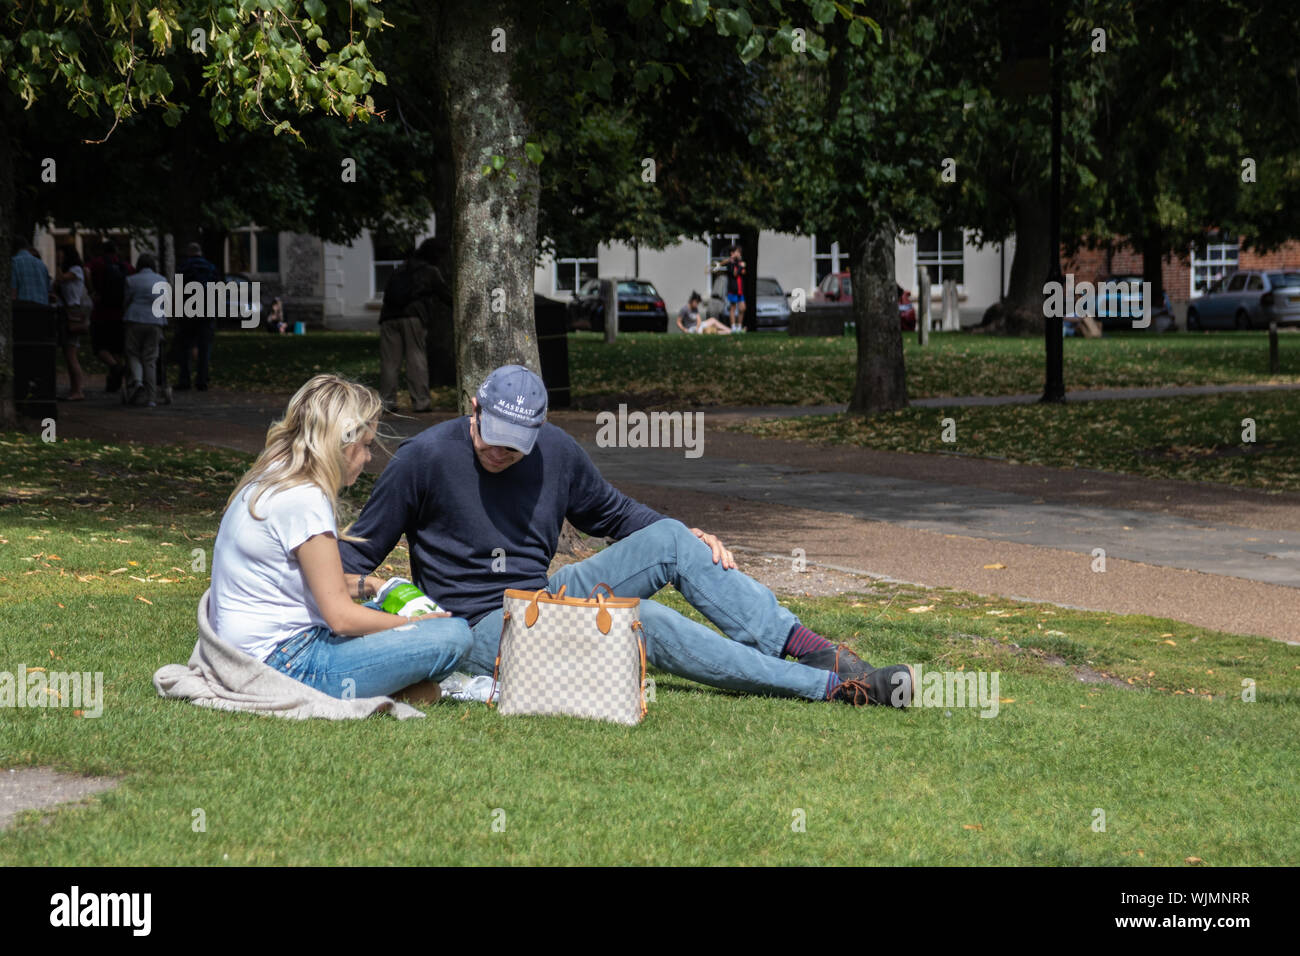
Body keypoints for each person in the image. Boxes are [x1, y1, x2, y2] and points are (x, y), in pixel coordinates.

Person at [340, 364, 916, 708]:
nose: (501, 451)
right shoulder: (423, 460)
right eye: (491, 435)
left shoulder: (556, 453)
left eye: (516, 443)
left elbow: (614, 514)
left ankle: (811, 649)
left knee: (669, 537)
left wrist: (687, 539)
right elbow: (357, 550)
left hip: (545, 593)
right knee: (640, 617)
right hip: (484, 626)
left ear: (540, 430)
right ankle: (830, 689)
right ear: (473, 408)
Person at [208, 374, 472, 700]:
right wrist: (408, 623)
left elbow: (301, 579)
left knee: (399, 623)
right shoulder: (305, 499)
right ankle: (389, 687)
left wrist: (371, 585)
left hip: (245, 655)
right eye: (366, 446)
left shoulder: (271, 478)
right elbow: (341, 618)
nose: (368, 457)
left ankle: (395, 686)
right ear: (343, 441)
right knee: (454, 635)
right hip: (284, 664)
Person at [378, 237, 449, 413]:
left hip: (388, 317)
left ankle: (387, 402)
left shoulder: (401, 268)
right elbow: (445, 294)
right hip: (413, 317)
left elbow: (387, 293)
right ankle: (421, 402)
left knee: (389, 362)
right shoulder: (430, 271)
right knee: (415, 358)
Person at [121, 253, 168, 407]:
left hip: (134, 319)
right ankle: (152, 398)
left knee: (133, 353)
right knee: (151, 359)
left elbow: (127, 300)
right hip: (155, 321)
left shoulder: (131, 280)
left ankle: (137, 381)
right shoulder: (162, 280)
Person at [86, 240, 131, 393]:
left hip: (101, 312)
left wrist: (92, 290)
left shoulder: (97, 263)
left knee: (100, 347)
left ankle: (115, 368)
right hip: (121, 313)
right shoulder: (124, 265)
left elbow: (86, 271)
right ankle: (115, 382)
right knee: (117, 349)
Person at [175, 241, 220, 391]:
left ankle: (184, 380)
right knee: (204, 348)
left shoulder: (184, 267)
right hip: (207, 312)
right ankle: (202, 380)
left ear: (189, 252)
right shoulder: (210, 267)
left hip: (188, 311)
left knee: (185, 347)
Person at [53, 246, 90, 401]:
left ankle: (78, 389)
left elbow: (60, 278)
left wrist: (59, 264)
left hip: (73, 312)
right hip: (66, 311)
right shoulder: (73, 271)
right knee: (68, 353)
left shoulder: (76, 270)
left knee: (71, 353)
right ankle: (74, 388)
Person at [10, 238, 51, 305]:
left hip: (23, 309)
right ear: (27, 247)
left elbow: (13, 291)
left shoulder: (14, 262)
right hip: (43, 309)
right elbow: (48, 290)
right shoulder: (41, 264)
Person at [723, 244, 747, 333]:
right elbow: (735, 274)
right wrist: (741, 266)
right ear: (732, 253)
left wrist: (741, 265)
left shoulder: (738, 262)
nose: (739, 253)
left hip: (740, 290)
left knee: (743, 308)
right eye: (737, 252)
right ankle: (733, 327)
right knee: (733, 308)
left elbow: (743, 272)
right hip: (733, 289)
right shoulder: (730, 263)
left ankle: (739, 327)